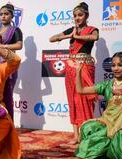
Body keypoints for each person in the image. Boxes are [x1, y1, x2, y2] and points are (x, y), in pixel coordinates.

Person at [49, 2, 99, 145]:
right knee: (73, 100)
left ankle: (87, 133)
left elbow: (94, 38)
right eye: (75, 16)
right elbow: (52, 38)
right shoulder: (72, 30)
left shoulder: (92, 29)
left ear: (86, 16)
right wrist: (69, 35)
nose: (77, 18)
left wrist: (78, 37)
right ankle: (76, 135)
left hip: (85, 67)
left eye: (80, 15)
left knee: (85, 98)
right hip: (71, 67)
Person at [72, 52, 122, 159]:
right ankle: (106, 147)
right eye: (113, 65)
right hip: (108, 121)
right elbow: (81, 90)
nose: (116, 68)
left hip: (120, 125)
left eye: (120, 65)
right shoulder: (107, 85)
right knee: (87, 128)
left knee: (119, 146)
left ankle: (109, 147)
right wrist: (78, 71)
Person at [0, 3, 23, 120]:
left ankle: (8, 123)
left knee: (7, 94)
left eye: (6, 14)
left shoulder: (15, 30)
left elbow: (19, 45)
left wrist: (1, 46)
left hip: (8, 65)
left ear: (12, 16)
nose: (3, 16)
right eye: (1, 14)